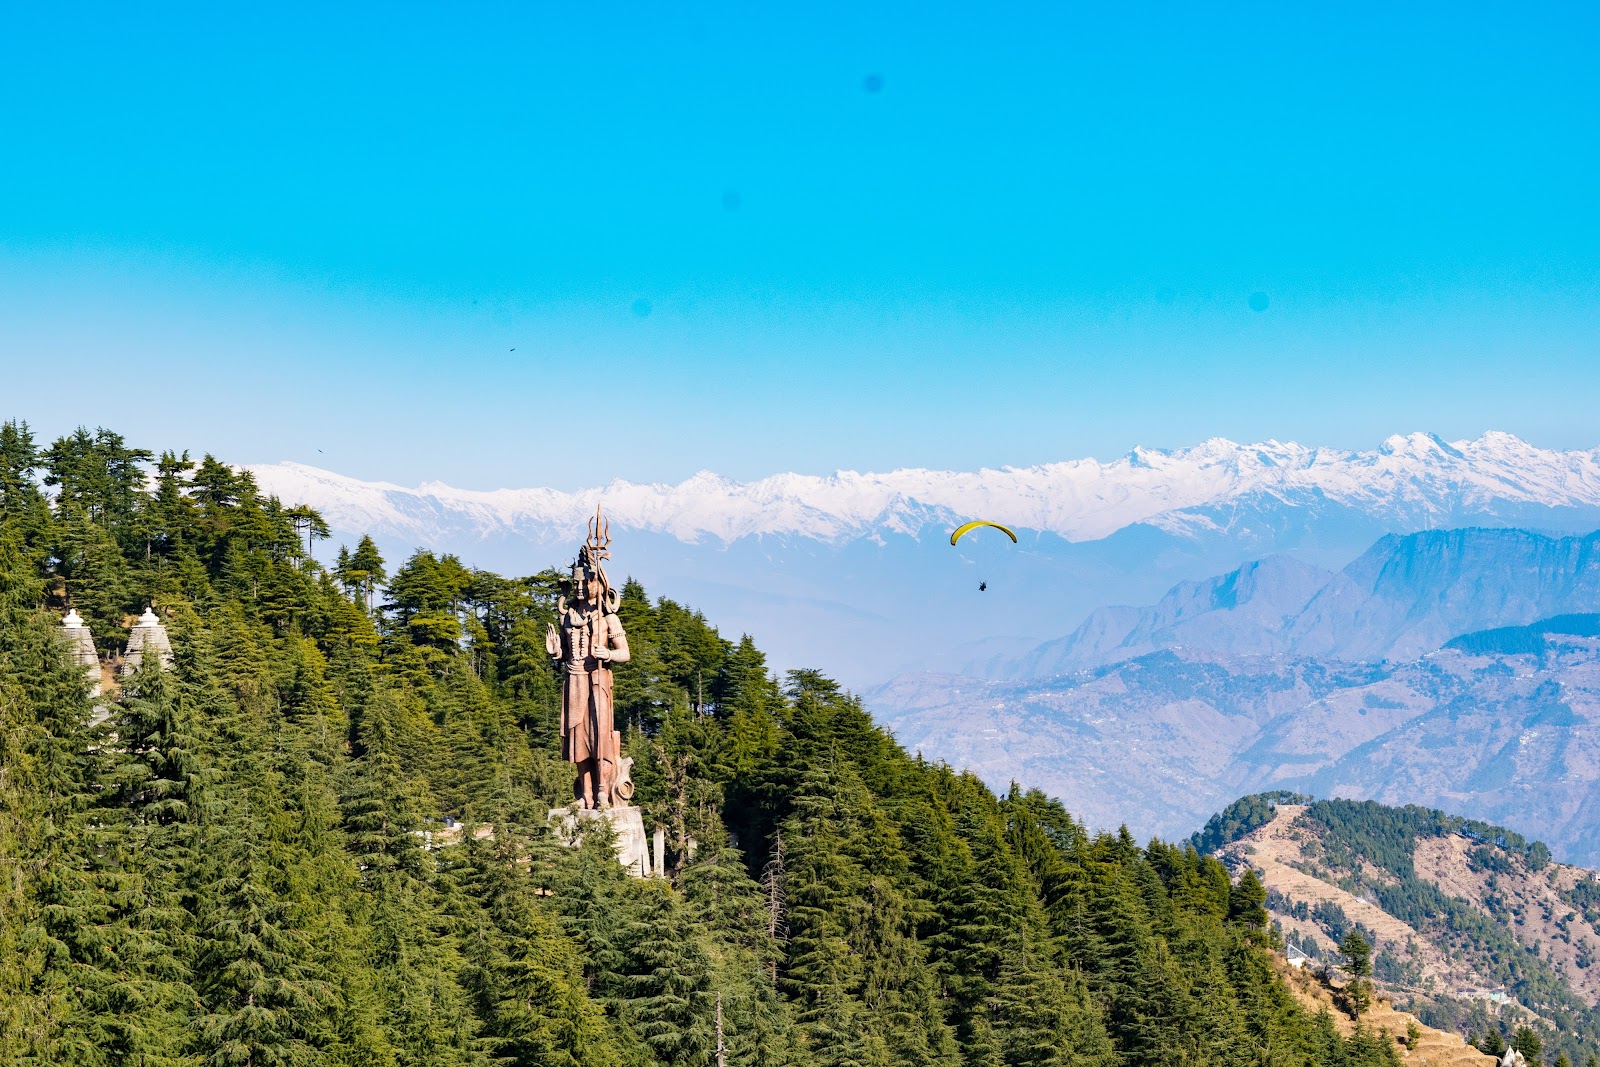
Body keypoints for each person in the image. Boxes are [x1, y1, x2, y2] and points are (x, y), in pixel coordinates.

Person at [546, 510, 632, 808]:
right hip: (574, 680)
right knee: (577, 738)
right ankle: (584, 793)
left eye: (588, 582)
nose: (582, 587)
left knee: (601, 738)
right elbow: (565, 655)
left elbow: (625, 653)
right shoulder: (568, 617)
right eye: (578, 583)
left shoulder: (608, 619)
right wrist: (556, 652)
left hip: (598, 680)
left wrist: (607, 653)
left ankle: (602, 790)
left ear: (599, 584)